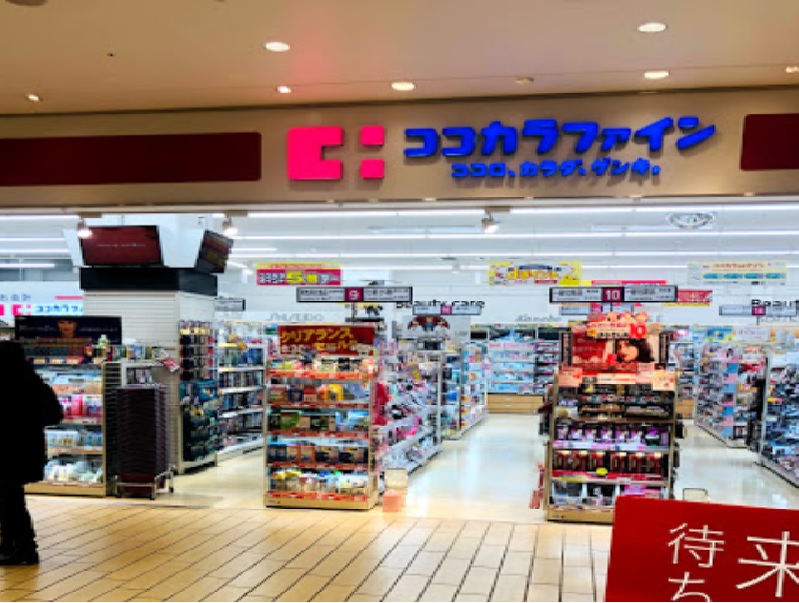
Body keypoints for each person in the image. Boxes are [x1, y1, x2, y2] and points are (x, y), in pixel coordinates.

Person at [0, 341, 63, 565]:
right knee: (10, 498)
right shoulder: (35, 384)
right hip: (28, 449)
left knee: (10, 501)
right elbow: (55, 415)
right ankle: (10, 545)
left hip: (7, 451)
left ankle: (25, 548)